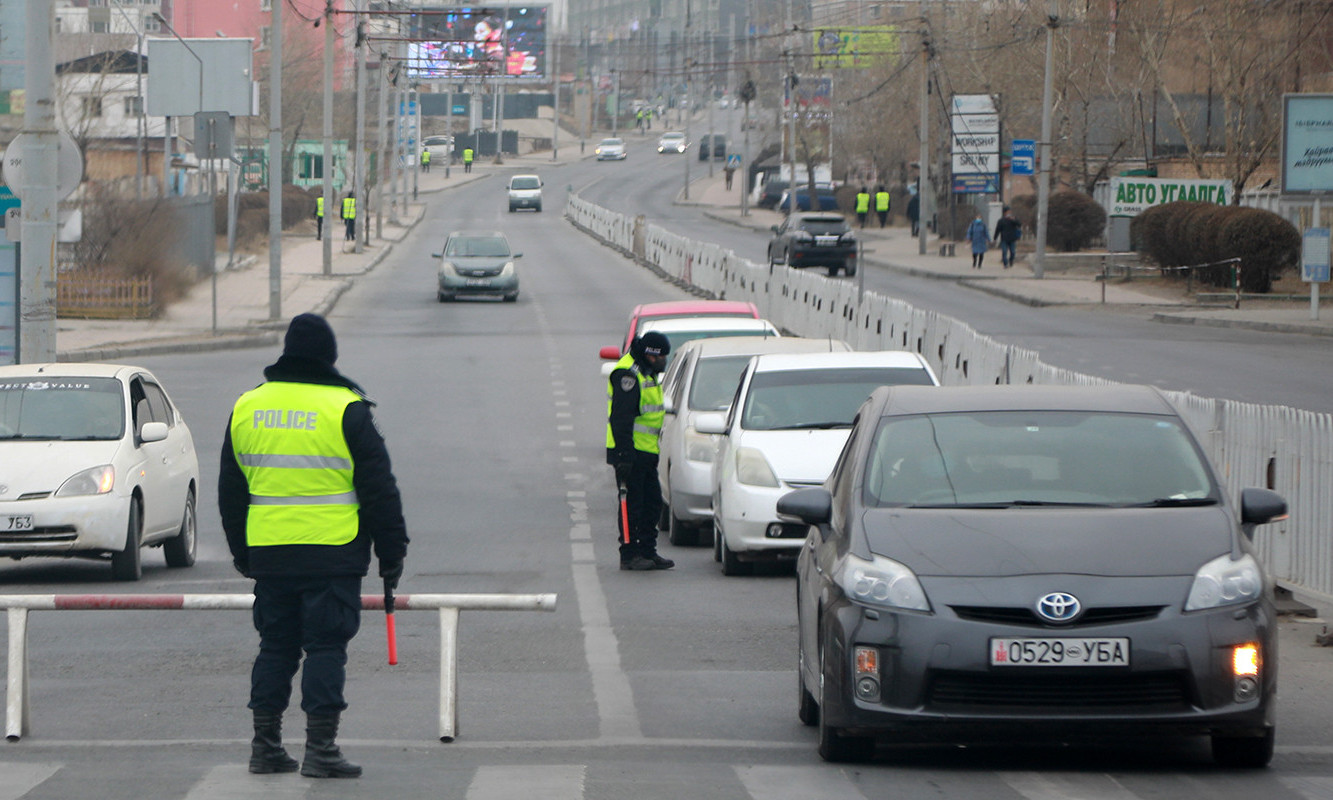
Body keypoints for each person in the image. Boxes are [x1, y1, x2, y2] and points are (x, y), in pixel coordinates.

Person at [220, 313, 409, 779]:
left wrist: (243, 553)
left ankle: (264, 747)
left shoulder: (247, 407)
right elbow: (379, 490)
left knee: (275, 647)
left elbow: (230, 492)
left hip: (270, 552)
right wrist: (392, 552)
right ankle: (320, 749)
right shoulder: (347, 408)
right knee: (325, 648)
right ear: (329, 357)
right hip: (332, 551)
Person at [606, 331, 675, 571]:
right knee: (631, 504)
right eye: (662, 357)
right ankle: (629, 554)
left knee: (652, 503)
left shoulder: (647, 371)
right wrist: (624, 457)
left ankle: (647, 550)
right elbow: (621, 419)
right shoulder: (629, 374)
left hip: (646, 453)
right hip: (630, 453)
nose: (664, 361)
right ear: (650, 355)